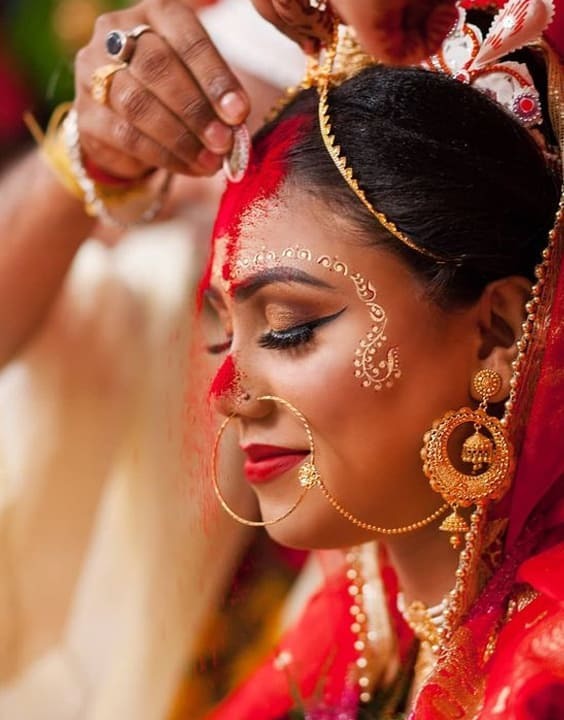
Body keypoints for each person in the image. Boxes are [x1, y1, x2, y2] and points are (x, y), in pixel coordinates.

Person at [193, 1, 564, 718]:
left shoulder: (544, 674)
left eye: (289, 327)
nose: (227, 393)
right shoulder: (354, 626)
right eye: (221, 336)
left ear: (497, 329)